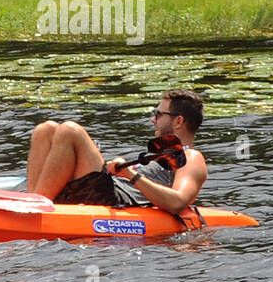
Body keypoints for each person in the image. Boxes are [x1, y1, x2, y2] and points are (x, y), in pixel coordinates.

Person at [26, 90, 207, 213]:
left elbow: (177, 202)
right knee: (46, 129)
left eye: (159, 114)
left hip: (115, 198)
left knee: (70, 130)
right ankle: (32, 200)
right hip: (108, 187)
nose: (153, 119)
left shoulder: (192, 157)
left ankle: (34, 207)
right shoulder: (158, 153)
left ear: (178, 121)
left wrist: (131, 175)